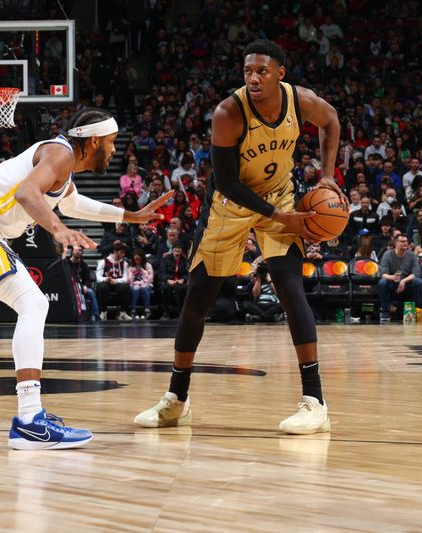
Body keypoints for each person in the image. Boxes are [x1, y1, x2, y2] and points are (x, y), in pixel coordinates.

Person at [0, 108, 170, 450]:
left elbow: (74, 203)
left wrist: (131, 216)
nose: (114, 150)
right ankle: (30, 420)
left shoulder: (61, 165)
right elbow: (26, 194)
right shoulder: (60, 152)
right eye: (110, 143)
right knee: (33, 304)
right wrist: (58, 229)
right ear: (93, 140)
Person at [134, 40, 345, 434]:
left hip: (280, 193)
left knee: (289, 286)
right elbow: (228, 183)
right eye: (248, 71)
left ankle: (315, 402)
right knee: (198, 298)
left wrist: (328, 174)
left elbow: (331, 120)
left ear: (281, 73)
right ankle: (176, 399)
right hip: (230, 207)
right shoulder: (228, 113)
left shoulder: (300, 101)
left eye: (261, 71)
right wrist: (280, 215)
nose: (253, 78)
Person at [378, 234, 422, 322]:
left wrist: (403, 281)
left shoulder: (412, 255)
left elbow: (416, 273)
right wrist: (392, 277)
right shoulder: (387, 254)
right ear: (396, 243)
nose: (405, 243)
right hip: (393, 282)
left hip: (407, 283)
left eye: (406, 241)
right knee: (382, 283)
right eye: (402, 241)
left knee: (418, 282)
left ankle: (416, 311)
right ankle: (385, 312)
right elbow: (383, 274)